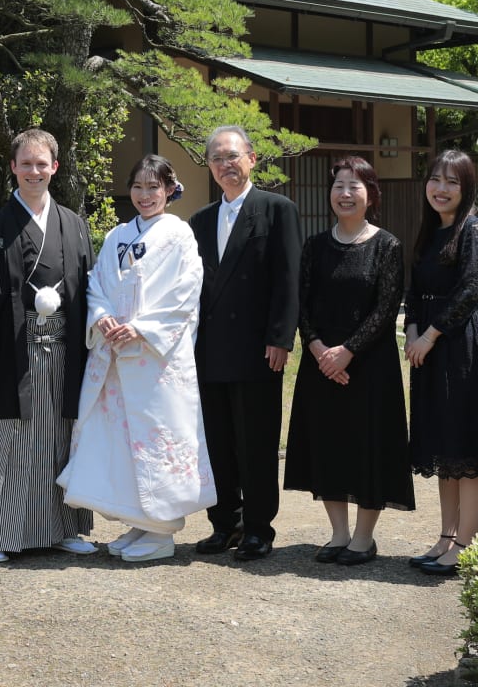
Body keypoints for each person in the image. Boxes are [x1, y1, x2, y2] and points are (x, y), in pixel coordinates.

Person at [0, 128, 97, 563]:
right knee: (8, 438)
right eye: (26, 163)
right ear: (13, 167)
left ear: (55, 167)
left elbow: (90, 291)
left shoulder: (73, 224)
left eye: (42, 163)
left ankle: (67, 526)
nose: (34, 171)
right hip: (13, 354)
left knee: (62, 437)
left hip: (66, 350)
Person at [58, 154, 215, 562]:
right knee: (122, 440)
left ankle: (161, 531)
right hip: (114, 355)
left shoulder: (179, 235)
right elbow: (96, 285)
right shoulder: (116, 236)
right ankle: (138, 521)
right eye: (139, 187)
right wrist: (104, 317)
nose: (146, 195)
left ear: (169, 190)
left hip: (154, 360)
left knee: (156, 438)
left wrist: (142, 327)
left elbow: (185, 294)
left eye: (154, 187)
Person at [283, 157, 413, 566]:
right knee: (328, 444)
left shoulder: (387, 245)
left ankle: (363, 537)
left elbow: (386, 308)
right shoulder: (315, 245)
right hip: (322, 366)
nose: (344, 193)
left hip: (370, 366)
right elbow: (302, 305)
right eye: (338, 185)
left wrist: (347, 352)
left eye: (354, 186)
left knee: (367, 446)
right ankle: (338, 533)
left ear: (370, 194)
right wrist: (320, 349)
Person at [189, 125, 301, 560]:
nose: (225, 164)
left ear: (252, 159)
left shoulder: (277, 209)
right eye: (217, 158)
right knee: (216, 440)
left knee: (256, 440)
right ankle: (225, 522)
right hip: (210, 349)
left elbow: (288, 280)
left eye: (232, 156)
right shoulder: (199, 221)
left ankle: (258, 527)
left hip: (258, 348)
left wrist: (280, 337)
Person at [404, 149, 478, 576]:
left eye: (452, 181)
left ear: (465, 187)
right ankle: (446, 535)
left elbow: (471, 290)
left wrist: (431, 335)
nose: (441, 188)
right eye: (435, 179)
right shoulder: (431, 232)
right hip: (428, 351)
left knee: (465, 453)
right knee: (444, 451)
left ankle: (465, 546)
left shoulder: (471, 229)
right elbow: (414, 291)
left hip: (460, 348)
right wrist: (413, 330)